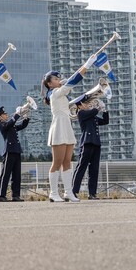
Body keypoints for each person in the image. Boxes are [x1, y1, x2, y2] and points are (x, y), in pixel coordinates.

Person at [40, 53, 97, 203]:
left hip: (66, 125)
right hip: (58, 126)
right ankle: (53, 192)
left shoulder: (60, 93)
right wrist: (87, 65)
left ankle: (68, 192)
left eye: (59, 79)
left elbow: (70, 85)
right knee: (57, 162)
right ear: (49, 84)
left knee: (67, 161)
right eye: (56, 79)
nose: (59, 81)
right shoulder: (55, 93)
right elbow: (73, 81)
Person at [70, 96, 109, 200]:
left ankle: (92, 193)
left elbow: (105, 121)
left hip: (96, 143)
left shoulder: (92, 115)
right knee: (81, 167)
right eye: (85, 103)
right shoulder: (80, 113)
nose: (88, 104)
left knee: (94, 169)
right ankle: (73, 191)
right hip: (87, 142)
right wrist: (97, 108)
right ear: (80, 105)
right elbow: (93, 112)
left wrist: (104, 110)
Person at [0, 106, 29, 202]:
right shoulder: (2, 125)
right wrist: (17, 114)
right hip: (9, 151)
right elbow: (10, 123)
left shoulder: (11, 125)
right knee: (5, 174)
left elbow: (22, 126)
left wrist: (25, 117)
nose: (6, 115)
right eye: (4, 114)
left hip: (16, 150)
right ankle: (1, 195)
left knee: (16, 175)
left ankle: (15, 195)